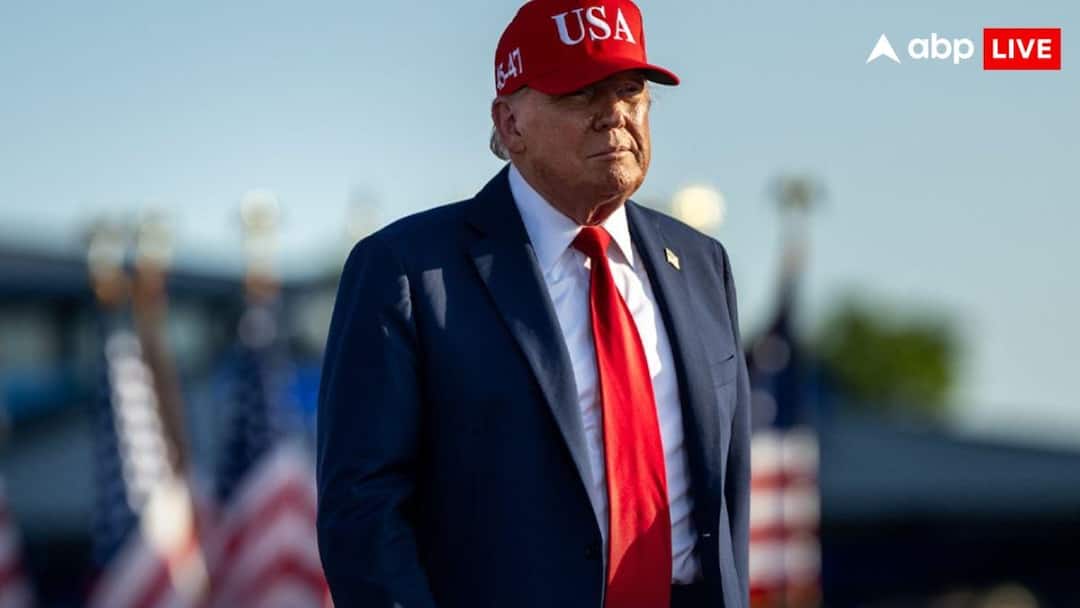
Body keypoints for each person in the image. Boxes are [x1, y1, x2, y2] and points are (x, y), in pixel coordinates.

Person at [316, 1, 750, 606]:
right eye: (581, 93)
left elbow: (727, 493)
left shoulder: (702, 265)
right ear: (511, 122)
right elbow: (363, 514)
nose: (614, 114)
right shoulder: (407, 271)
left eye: (630, 90)